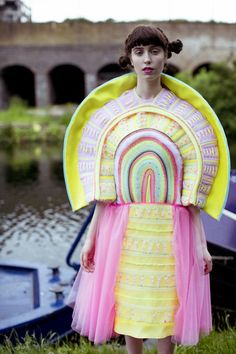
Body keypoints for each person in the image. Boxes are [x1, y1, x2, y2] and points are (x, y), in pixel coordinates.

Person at [63, 25, 230, 354]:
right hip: (123, 226)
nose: (147, 59)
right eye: (139, 52)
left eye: (155, 51)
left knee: (166, 304)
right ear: (129, 59)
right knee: (129, 303)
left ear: (166, 57)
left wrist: (201, 245)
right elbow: (104, 190)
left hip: (170, 228)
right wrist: (91, 238)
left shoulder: (186, 115)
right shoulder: (113, 114)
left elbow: (191, 194)